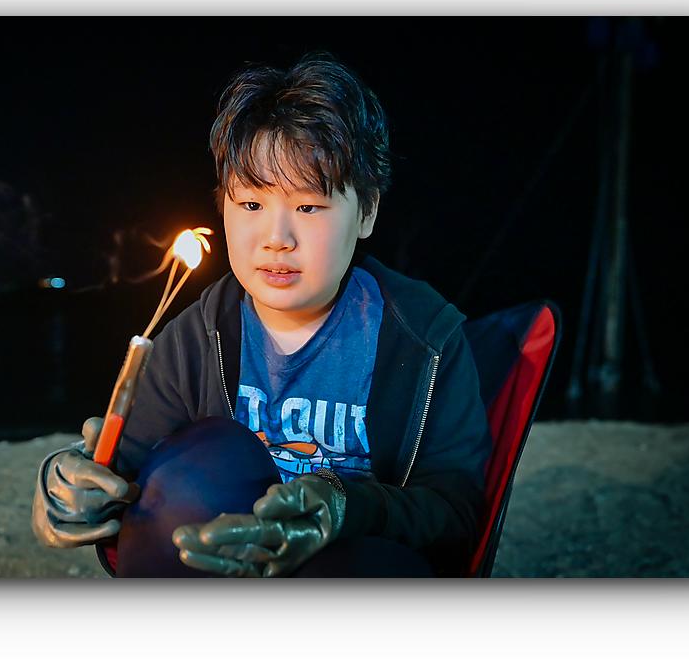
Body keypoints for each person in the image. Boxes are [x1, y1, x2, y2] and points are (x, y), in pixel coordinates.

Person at [32, 51, 492, 578]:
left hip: (351, 561)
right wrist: (68, 483)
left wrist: (349, 506)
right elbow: (127, 469)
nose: (277, 238)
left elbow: (456, 512)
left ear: (366, 211)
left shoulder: (423, 340)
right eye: (251, 204)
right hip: (218, 563)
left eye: (308, 206)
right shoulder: (195, 338)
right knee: (204, 462)